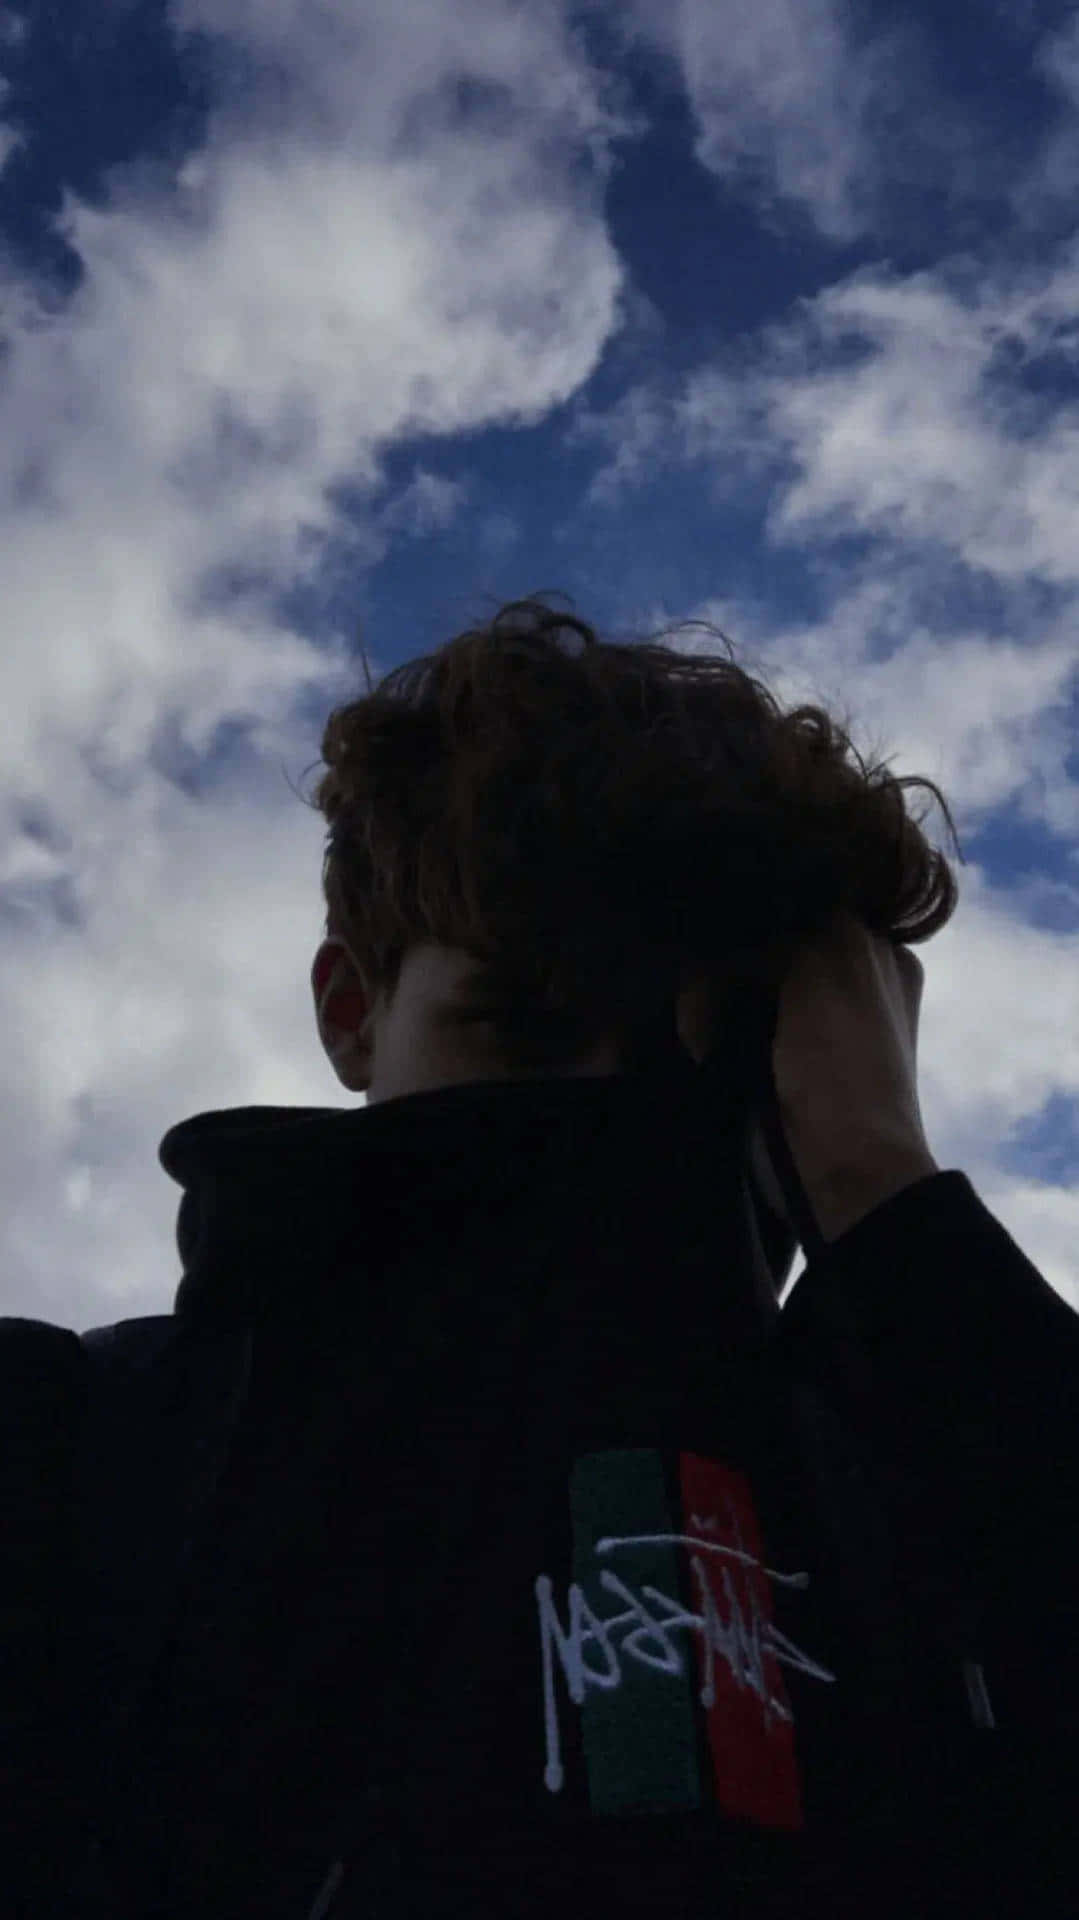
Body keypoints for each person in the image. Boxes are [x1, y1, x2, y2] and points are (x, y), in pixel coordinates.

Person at [3, 599, 1077, 1919]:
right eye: (524, 1024)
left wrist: (886, 1190)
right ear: (354, 1016)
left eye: (710, 1061)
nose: (613, 1116)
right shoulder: (72, 1452)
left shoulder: (939, 1502)